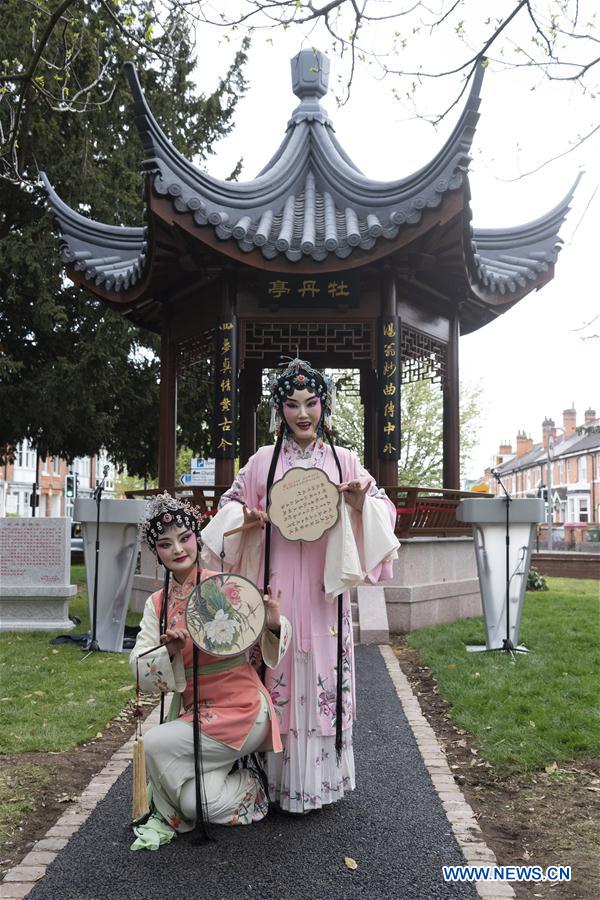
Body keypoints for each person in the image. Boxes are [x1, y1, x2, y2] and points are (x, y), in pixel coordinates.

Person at [201, 359, 399, 814]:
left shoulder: (343, 460)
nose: (303, 413)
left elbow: (382, 510)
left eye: (311, 403)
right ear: (280, 409)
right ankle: (273, 779)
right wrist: (244, 519)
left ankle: (322, 782)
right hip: (277, 584)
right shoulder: (262, 462)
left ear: (324, 406)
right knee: (279, 666)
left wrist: (359, 502)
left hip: (324, 588)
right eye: (292, 404)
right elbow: (229, 504)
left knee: (324, 670)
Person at [129, 492, 291, 850]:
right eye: (165, 543)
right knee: (194, 804)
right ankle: (251, 788)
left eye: (184, 538)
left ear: (197, 538)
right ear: (156, 552)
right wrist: (168, 651)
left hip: (244, 706)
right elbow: (139, 668)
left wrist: (274, 621)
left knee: (155, 744)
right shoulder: (155, 605)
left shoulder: (224, 586)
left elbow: (269, 637)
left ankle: (231, 775)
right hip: (197, 713)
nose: (178, 549)